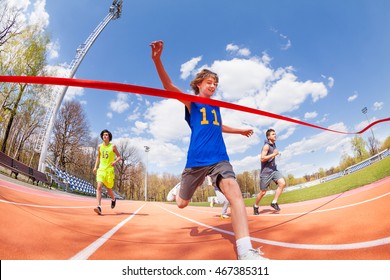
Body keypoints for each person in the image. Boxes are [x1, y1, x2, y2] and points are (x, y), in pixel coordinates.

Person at [150, 40, 267, 260]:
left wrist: (240, 131)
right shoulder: (191, 101)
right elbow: (169, 87)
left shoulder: (216, 106)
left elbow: (218, 126)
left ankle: (245, 252)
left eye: (215, 83)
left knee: (235, 193)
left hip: (219, 158)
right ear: (199, 84)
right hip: (196, 160)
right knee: (182, 204)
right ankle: (179, 189)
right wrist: (157, 60)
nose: (213, 86)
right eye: (209, 82)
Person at [253, 128, 286, 215]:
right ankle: (255, 206)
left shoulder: (274, 145)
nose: (275, 135)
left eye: (275, 134)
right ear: (268, 137)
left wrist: (276, 154)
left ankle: (274, 202)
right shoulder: (266, 146)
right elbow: (262, 158)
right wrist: (274, 154)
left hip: (274, 170)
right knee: (263, 192)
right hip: (265, 173)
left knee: (282, 183)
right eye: (273, 134)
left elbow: (272, 156)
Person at [93, 129, 121, 215]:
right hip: (101, 170)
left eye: (106, 135)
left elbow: (119, 157)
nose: (104, 136)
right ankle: (99, 207)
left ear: (109, 137)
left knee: (109, 190)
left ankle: (113, 199)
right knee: (99, 187)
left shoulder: (113, 146)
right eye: (103, 135)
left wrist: (115, 162)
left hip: (109, 171)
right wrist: (95, 167)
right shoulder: (99, 146)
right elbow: (98, 157)